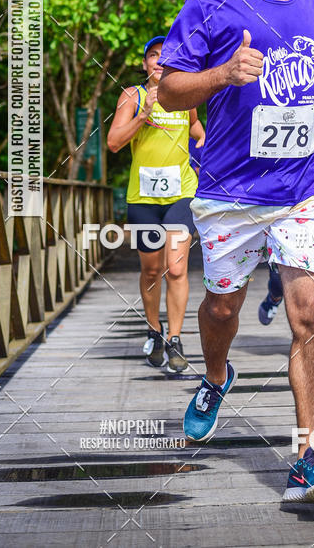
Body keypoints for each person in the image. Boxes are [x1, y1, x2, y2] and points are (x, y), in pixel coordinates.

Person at [157, 0, 314, 502]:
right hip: (229, 189)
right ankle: (217, 378)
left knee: (310, 313)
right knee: (223, 306)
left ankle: (309, 457)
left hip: (304, 187)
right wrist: (223, 74)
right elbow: (169, 91)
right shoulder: (209, 4)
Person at [107, 36, 205, 374]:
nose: (160, 61)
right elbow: (114, 143)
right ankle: (154, 330)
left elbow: (196, 128)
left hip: (181, 193)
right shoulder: (131, 96)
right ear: (146, 64)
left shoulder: (183, 95)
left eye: (167, 56)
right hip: (143, 199)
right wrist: (143, 116)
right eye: (153, 55)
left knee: (176, 268)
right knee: (151, 270)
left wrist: (202, 156)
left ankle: (175, 339)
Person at [258, 121, 314, 325]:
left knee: (313, 284)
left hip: (313, 211)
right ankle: (274, 298)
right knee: (278, 279)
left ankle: (306, 336)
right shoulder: (275, 120)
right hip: (278, 208)